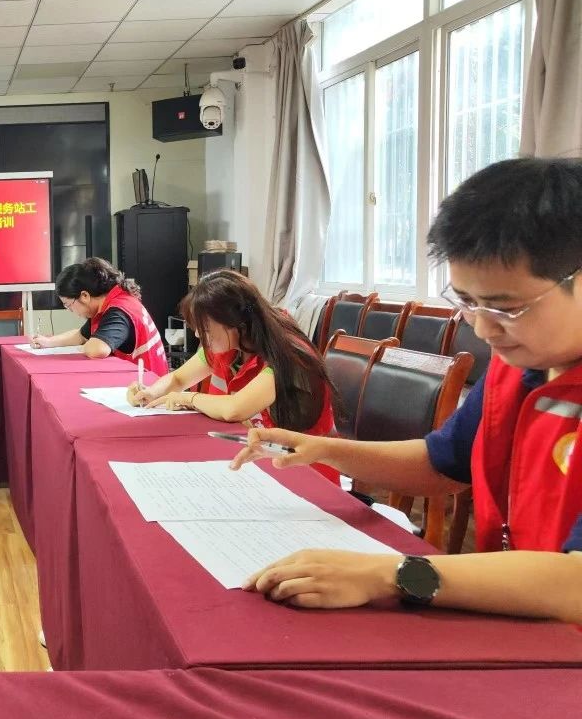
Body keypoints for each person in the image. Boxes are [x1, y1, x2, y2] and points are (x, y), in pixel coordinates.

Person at [232, 157, 582, 625]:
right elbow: (442, 464)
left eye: (507, 308)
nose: (483, 329)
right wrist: (324, 449)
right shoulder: (518, 368)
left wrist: (391, 574)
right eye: (467, 303)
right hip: (529, 628)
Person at [127, 269, 341, 483]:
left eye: (206, 329)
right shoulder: (232, 344)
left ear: (235, 323)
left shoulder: (288, 355)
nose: (198, 335)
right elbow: (179, 379)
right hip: (258, 457)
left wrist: (187, 398)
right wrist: (151, 393)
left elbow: (235, 409)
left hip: (303, 471)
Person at [30, 257, 169, 372]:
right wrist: (48, 342)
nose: (69, 310)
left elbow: (97, 349)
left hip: (150, 386)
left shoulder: (118, 310)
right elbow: (81, 336)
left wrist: (84, 347)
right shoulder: (106, 305)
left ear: (84, 296)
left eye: (68, 304)